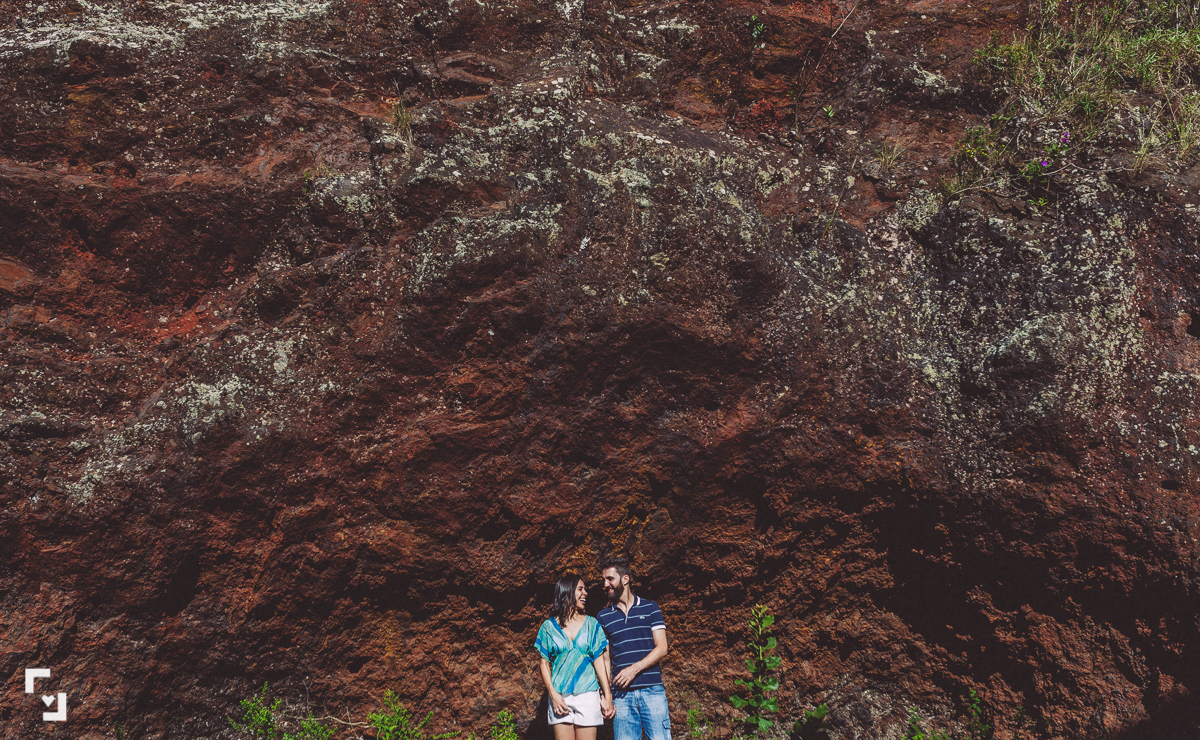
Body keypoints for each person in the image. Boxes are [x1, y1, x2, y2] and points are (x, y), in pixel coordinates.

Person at [596, 558, 671, 740]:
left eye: (610, 579)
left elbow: (662, 648)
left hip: (652, 691)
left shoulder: (651, 608)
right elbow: (605, 659)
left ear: (625, 579)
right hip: (621, 697)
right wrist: (607, 695)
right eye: (604, 580)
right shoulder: (603, 617)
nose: (605, 584)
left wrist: (634, 669)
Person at [535, 574, 614, 740]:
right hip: (560, 697)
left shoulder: (592, 624)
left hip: (588, 694)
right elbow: (543, 663)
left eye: (585, 589)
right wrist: (553, 695)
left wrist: (607, 696)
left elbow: (599, 661)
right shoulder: (548, 627)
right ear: (567, 592)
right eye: (580, 589)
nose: (585, 593)